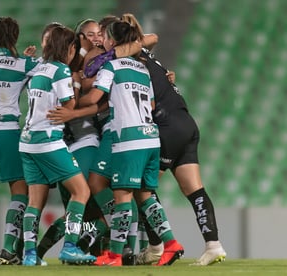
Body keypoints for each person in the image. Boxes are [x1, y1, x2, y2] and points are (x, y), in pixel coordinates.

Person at [118, 13, 227, 266]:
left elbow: (143, 41)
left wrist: (126, 39)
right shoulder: (147, 56)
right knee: (193, 188)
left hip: (166, 124)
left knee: (142, 189)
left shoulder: (127, 58)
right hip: (186, 122)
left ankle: (157, 246)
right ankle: (213, 245)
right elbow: (149, 39)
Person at [76, 20, 184, 267]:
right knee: (146, 197)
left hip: (130, 140)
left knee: (123, 197)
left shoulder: (111, 66)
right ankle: (171, 244)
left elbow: (93, 98)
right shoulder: (141, 68)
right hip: (150, 137)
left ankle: (114, 255)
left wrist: (71, 103)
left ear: (112, 42)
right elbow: (153, 105)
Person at [19, 25, 96, 266]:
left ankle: (30, 255)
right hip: (48, 140)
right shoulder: (61, 70)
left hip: (27, 141)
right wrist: (74, 88)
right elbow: (68, 106)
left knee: (34, 201)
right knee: (81, 191)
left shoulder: (39, 67)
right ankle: (70, 247)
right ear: (70, 48)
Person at [0, 17, 42, 265]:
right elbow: (45, 69)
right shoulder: (26, 63)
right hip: (5, 131)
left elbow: (5, 69)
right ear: (16, 36)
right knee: (20, 190)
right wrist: (26, 58)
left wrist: (19, 57)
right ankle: (9, 249)